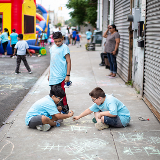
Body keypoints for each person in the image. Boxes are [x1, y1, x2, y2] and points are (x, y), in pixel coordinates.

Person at [48, 32, 71, 114]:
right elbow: (52, 62)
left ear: (62, 39)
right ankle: (56, 110)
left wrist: (67, 75)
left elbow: (68, 62)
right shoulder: (52, 48)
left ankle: (65, 109)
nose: (57, 43)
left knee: (61, 94)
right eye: (56, 41)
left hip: (61, 76)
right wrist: (49, 74)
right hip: (53, 76)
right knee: (53, 95)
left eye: (59, 41)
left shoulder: (65, 48)